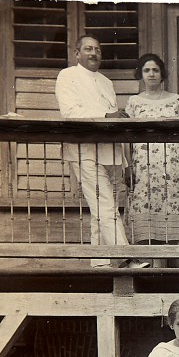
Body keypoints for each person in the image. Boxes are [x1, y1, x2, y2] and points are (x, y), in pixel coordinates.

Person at [54, 35, 145, 269]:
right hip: (84, 150)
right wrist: (106, 116)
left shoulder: (106, 82)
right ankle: (126, 257)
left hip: (110, 152)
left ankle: (100, 263)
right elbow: (70, 112)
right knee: (104, 205)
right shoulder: (67, 76)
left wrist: (125, 162)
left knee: (101, 209)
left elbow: (116, 122)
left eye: (97, 49)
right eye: (88, 49)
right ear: (77, 53)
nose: (93, 53)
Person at [125, 53, 179, 267]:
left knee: (170, 208)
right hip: (143, 166)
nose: (151, 74)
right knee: (145, 208)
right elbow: (126, 137)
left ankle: (173, 264)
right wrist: (128, 166)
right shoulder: (134, 102)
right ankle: (149, 264)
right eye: (147, 70)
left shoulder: (175, 100)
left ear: (162, 74)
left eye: (155, 70)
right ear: (141, 74)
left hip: (171, 165)